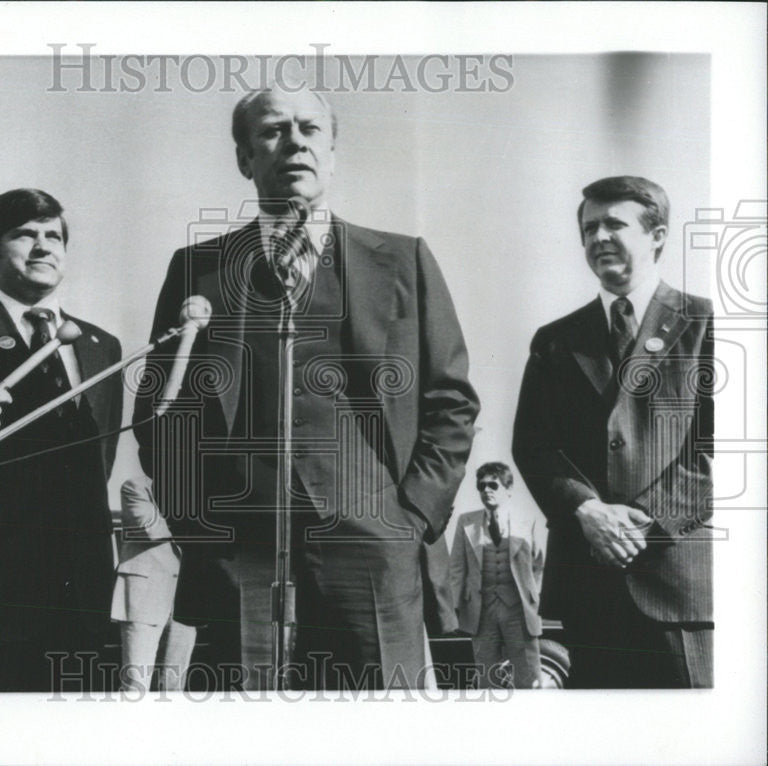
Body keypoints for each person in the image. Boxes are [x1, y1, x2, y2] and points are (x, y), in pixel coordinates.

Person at [133, 86, 479, 689]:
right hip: (237, 550)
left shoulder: (402, 261)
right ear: (244, 158)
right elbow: (161, 415)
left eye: (310, 129)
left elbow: (450, 402)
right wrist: (198, 523)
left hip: (376, 546)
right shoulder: (198, 268)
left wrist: (414, 518)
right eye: (272, 130)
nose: (294, 141)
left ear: (333, 152)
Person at [512, 176, 713, 688]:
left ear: (658, 235)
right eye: (588, 228)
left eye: (613, 224)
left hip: (676, 589)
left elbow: (724, 447)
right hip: (584, 593)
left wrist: (643, 524)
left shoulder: (705, 323)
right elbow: (533, 446)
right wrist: (588, 509)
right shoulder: (555, 341)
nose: (597, 237)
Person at [0, 188, 123, 692]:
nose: (43, 247)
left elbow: (99, 463)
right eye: (25, 235)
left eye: (53, 236)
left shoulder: (103, 347)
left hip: (82, 585)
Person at [448, 462, 545, 689]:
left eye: (493, 485)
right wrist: (455, 606)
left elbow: (540, 564)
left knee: (528, 678)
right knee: (486, 678)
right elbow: (456, 569)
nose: (486, 490)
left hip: (517, 611)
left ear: (509, 489)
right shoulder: (466, 522)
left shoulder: (528, 520)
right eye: (481, 486)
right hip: (482, 612)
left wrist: (532, 597)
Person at [112, 477, 197, 692]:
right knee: (135, 686)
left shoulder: (196, 491)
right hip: (144, 597)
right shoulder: (135, 487)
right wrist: (197, 522)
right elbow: (149, 527)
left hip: (186, 597)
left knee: (174, 688)